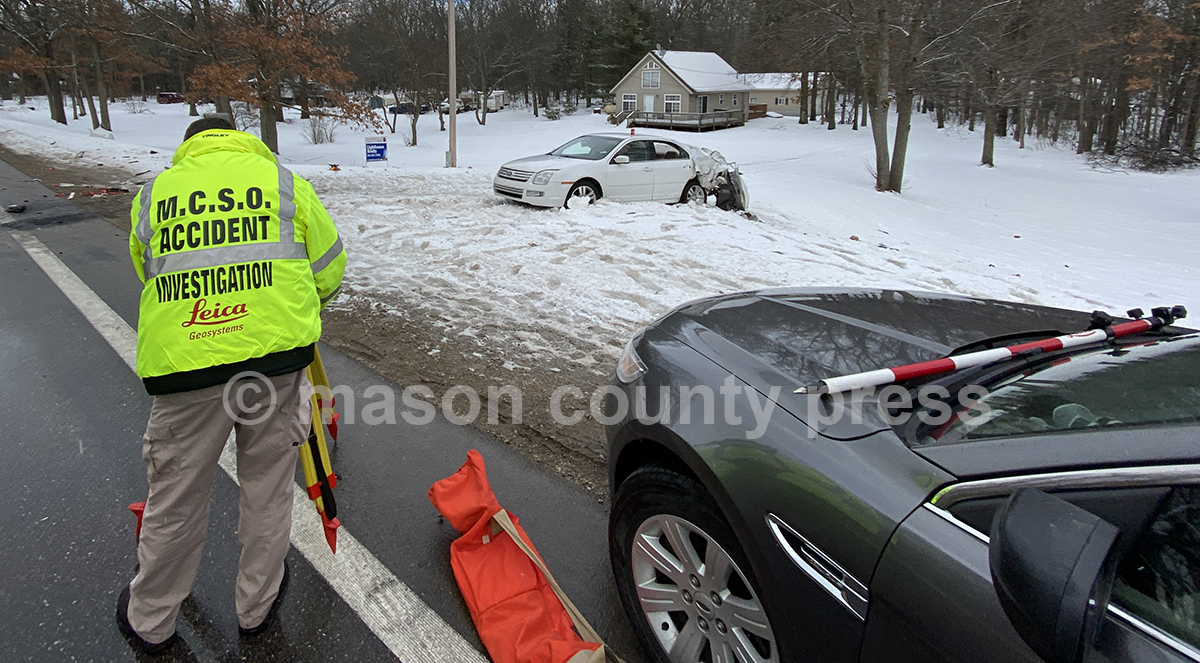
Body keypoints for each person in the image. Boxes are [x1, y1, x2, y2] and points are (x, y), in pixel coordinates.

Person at [117, 116, 346, 653]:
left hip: (186, 367)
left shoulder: (155, 194)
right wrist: (287, 312)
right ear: (241, 139)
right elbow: (330, 268)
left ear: (190, 146)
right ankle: (256, 609)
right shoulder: (285, 184)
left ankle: (150, 620)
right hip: (276, 363)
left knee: (175, 497)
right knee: (267, 490)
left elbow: (148, 270)